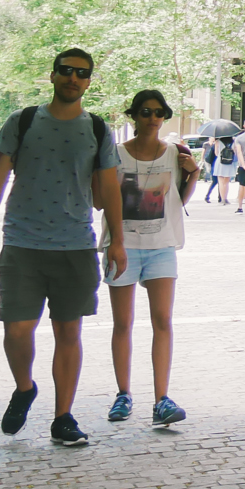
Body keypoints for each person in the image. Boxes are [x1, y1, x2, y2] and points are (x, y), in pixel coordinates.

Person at [0, 48, 124, 446]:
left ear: (89, 81)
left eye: (82, 73)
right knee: (17, 329)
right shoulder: (23, 120)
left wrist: (118, 241)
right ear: (53, 76)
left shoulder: (97, 129)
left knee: (68, 332)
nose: (74, 78)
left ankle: (63, 418)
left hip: (75, 245)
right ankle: (25, 388)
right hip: (23, 241)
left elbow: (109, 188)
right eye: (67, 71)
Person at [102, 90, 198, 427]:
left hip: (161, 246)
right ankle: (123, 394)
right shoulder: (114, 154)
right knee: (123, 323)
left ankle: (162, 399)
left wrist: (194, 173)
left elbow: (179, 201)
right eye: (146, 112)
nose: (153, 118)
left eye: (159, 112)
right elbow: (101, 202)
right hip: (122, 246)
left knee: (162, 321)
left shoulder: (174, 153)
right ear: (134, 116)